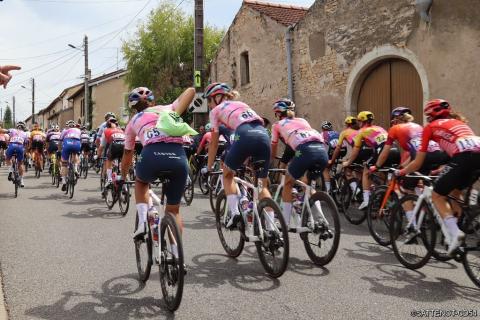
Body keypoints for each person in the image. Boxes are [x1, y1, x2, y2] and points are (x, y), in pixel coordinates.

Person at [396, 99, 480, 254]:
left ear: (429, 116)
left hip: (464, 157)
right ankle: (458, 224)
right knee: (455, 191)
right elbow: (452, 152)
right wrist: (441, 170)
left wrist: (401, 172)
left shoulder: (430, 127)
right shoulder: (459, 123)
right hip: (474, 154)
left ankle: (455, 234)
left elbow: (417, 162)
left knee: (436, 195)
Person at [120, 86, 195, 239]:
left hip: (151, 156)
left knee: (141, 183)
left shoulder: (133, 121)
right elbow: (191, 91)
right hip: (178, 158)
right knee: (174, 211)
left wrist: (123, 176)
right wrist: (174, 114)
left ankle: (142, 223)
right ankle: (176, 254)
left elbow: (128, 154)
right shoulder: (168, 109)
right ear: (152, 102)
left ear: (133, 107)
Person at [203, 82, 272, 228]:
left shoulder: (215, 111)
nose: (209, 104)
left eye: (209, 100)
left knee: (227, 175)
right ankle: (272, 229)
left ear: (217, 98)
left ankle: (234, 214)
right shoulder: (241, 104)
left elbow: (214, 144)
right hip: (263, 134)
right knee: (262, 186)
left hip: (244, 135)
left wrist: (208, 168)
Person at [270, 98, 328, 228]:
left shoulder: (277, 125)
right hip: (321, 151)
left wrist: (271, 158)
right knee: (308, 186)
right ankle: (321, 220)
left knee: (288, 183)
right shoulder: (302, 120)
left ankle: (284, 222)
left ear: (278, 113)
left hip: (304, 151)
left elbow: (273, 147)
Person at [342, 111, 394, 210]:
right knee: (384, 173)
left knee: (366, 171)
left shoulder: (361, 132)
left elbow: (355, 151)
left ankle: (366, 201)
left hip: (383, 151)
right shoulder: (380, 128)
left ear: (361, 121)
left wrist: (348, 162)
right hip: (394, 151)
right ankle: (384, 196)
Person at [98, 117, 125, 185]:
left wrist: (98, 156)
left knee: (109, 160)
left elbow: (101, 146)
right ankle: (124, 180)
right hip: (124, 146)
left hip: (114, 146)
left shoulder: (106, 131)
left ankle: (109, 179)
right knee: (122, 162)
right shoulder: (121, 130)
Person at [1, 122, 28, 187]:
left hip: (12, 146)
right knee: (20, 164)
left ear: (17, 127)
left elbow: (4, 131)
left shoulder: (12, 130)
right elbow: (26, 145)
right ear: (23, 128)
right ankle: (21, 181)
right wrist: (25, 152)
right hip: (20, 147)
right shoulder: (25, 134)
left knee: (7, 159)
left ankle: (10, 170)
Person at [321, 121, 343, 192]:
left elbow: (320, 144)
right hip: (342, 150)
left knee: (325, 169)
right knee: (333, 165)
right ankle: (335, 177)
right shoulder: (337, 133)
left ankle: (328, 190)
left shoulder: (323, 134)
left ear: (323, 128)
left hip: (332, 151)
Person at [60, 120, 81, 191]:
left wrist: (60, 150)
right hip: (76, 143)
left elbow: (60, 141)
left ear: (68, 126)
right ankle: (75, 168)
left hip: (67, 143)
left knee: (64, 163)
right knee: (75, 154)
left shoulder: (65, 130)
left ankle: (64, 182)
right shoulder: (78, 130)